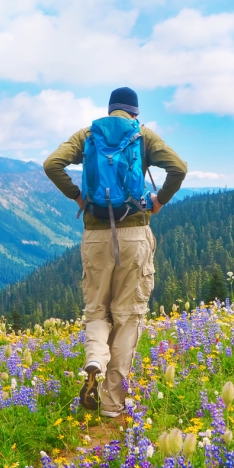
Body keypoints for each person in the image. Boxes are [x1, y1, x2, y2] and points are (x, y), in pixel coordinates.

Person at [43, 87, 187, 420]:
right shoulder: (143, 135)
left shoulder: (88, 134)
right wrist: (159, 200)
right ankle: (112, 404)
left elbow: (52, 164)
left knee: (96, 312)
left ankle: (95, 358)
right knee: (128, 317)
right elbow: (179, 168)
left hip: (95, 236)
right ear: (134, 112)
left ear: (110, 110)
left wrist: (79, 197)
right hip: (135, 234)